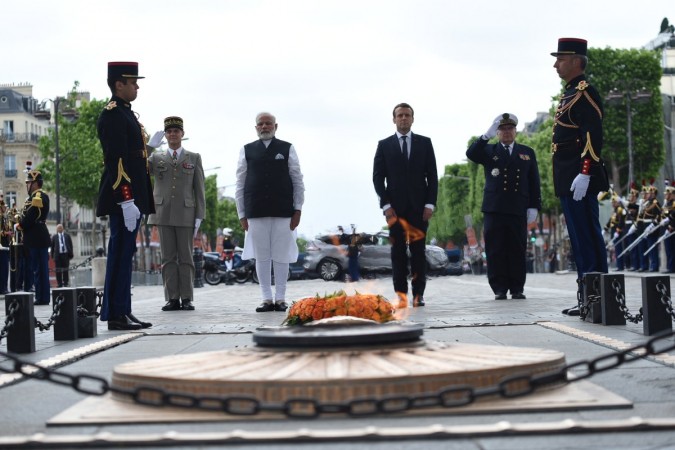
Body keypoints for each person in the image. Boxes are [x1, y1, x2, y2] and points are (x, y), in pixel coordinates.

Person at [551, 38, 608, 316]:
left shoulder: (585, 92)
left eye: (560, 59)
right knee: (578, 237)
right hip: (568, 178)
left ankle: (597, 296)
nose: (556, 64)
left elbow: (591, 135)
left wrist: (585, 172)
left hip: (578, 178)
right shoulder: (570, 93)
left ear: (576, 61)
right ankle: (588, 295)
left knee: (586, 236)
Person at [96, 61, 154, 330]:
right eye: (133, 82)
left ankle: (123, 309)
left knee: (126, 253)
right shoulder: (112, 115)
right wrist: (127, 198)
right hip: (124, 198)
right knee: (120, 253)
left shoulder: (127, 114)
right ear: (119, 84)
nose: (137, 86)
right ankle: (116, 314)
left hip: (134, 196)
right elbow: (116, 161)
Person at [466, 113, 541, 300]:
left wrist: (534, 206)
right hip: (494, 208)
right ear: (497, 132)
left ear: (515, 131)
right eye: (503, 129)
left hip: (517, 206)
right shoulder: (489, 150)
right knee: (495, 249)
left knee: (517, 248)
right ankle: (499, 288)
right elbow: (471, 154)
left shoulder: (526, 152)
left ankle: (517, 288)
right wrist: (485, 136)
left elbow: (534, 181)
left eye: (510, 129)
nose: (507, 132)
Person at [235, 112, 305, 312]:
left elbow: (297, 179)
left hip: (283, 210)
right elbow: (240, 182)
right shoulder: (246, 150)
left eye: (268, 123)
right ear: (255, 127)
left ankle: (281, 298)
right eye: (260, 124)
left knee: (281, 256)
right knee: (262, 256)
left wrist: (298, 208)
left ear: (276, 126)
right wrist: (241, 213)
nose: (264, 127)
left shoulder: (287, 148)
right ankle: (266, 298)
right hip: (255, 210)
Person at [373, 102, 438, 307]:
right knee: (398, 254)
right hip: (395, 211)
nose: (403, 118)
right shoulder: (384, 145)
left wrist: (430, 204)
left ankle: (418, 295)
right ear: (394, 119)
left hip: (420, 209)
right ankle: (401, 295)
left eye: (407, 115)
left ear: (412, 118)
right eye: (399, 115)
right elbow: (377, 178)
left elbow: (433, 177)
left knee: (419, 253)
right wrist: (385, 206)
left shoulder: (425, 143)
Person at [147, 116, 205, 312]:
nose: (173, 134)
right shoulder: (156, 158)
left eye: (176, 131)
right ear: (166, 134)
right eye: (169, 131)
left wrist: (199, 215)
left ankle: (187, 297)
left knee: (186, 257)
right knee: (168, 258)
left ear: (182, 134)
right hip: (162, 212)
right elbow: (138, 167)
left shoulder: (193, 157)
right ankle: (172, 297)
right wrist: (148, 148)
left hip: (186, 213)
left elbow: (199, 189)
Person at [17, 167, 51, 305]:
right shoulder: (36, 197)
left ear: (35, 183)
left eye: (29, 182)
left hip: (36, 237)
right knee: (40, 269)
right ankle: (42, 296)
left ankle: (41, 297)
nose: (27, 185)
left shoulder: (38, 196)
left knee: (39, 269)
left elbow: (33, 215)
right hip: (37, 236)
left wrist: (21, 224)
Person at [0, 194, 11, 295]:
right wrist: (5, 233)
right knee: (2, 268)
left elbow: (7, 229)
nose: (5, 209)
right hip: (1, 246)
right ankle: (2, 288)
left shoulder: (4, 218)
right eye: (3, 207)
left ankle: (4, 287)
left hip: (5, 245)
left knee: (5, 269)